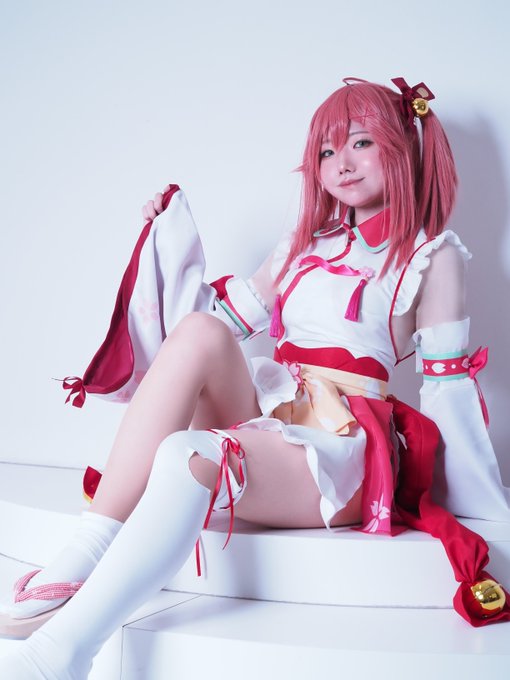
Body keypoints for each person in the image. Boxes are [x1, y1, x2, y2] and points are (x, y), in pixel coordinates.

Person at [1, 76, 509, 678]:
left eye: (361, 143)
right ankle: (86, 549)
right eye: (327, 150)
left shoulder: (431, 253)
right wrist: (167, 240)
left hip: (345, 447)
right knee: (199, 332)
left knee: (189, 455)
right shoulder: (304, 243)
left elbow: (447, 385)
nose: (341, 164)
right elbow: (213, 325)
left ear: (400, 147)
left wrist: (479, 504)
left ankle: (63, 653)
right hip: (278, 412)